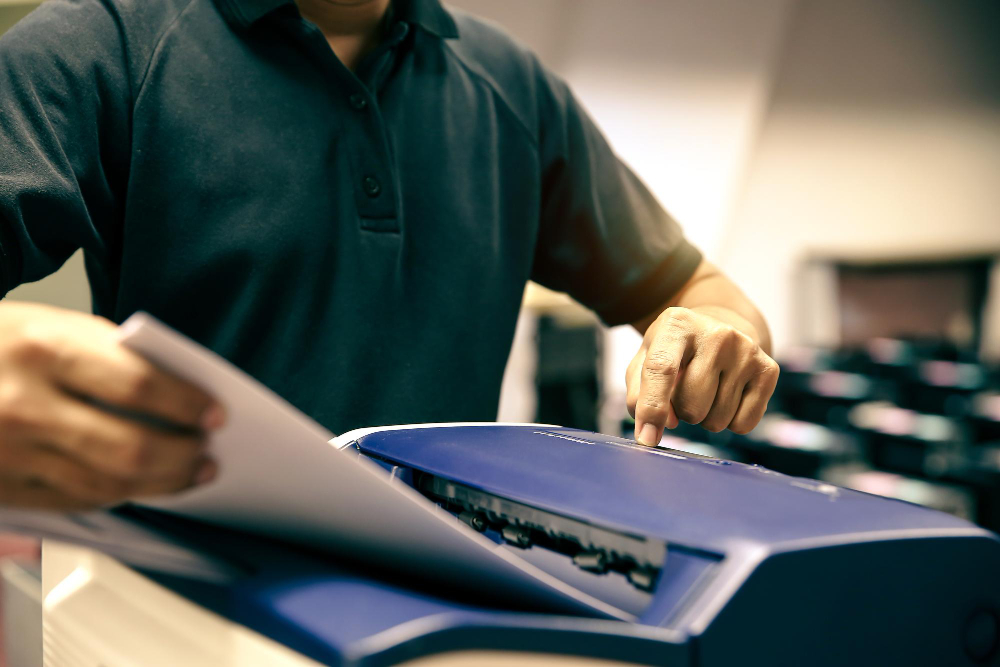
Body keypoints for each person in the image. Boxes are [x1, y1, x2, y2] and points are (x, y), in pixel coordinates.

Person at [0, 0, 779, 510]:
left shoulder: (511, 86)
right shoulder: (100, 47)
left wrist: (714, 335)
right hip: (181, 600)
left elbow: (702, 290)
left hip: (438, 598)